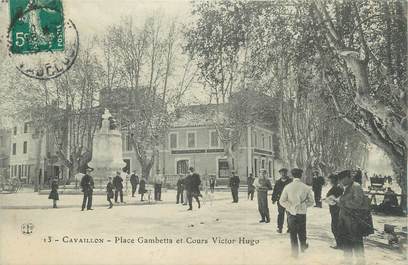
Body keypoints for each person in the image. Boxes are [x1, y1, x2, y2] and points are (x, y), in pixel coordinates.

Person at [279, 168, 314, 258]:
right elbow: (311, 201)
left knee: (293, 233)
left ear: (292, 176)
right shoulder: (306, 187)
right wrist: (303, 205)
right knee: (302, 230)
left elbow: (282, 201)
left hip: (291, 213)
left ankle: (294, 253)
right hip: (302, 212)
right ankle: (303, 245)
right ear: (301, 175)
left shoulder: (288, 187)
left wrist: (290, 207)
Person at [336, 170, 369, 265]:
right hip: (345, 219)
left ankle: (360, 262)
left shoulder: (356, 186)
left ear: (348, 177)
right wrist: (337, 200)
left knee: (356, 241)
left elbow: (358, 202)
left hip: (354, 219)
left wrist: (343, 203)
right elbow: (346, 199)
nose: (341, 181)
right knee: (346, 240)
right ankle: (348, 260)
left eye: (342, 179)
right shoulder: (347, 187)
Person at [325, 174, 344, 249]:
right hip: (336, 210)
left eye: (331, 180)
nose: (330, 181)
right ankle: (341, 244)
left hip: (336, 210)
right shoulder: (339, 187)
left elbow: (336, 199)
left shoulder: (336, 188)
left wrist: (329, 199)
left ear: (334, 180)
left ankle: (340, 244)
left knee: (335, 227)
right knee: (337, 227)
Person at [272, 168, 292, 233]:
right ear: (280, 174)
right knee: (280, 214)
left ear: (286, 173)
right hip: (280, 200)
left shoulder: (290, 181)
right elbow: (275, 191)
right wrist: (273, 199)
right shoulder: (278, 182)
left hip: (289, 200)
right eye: (282, 173)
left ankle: (290, 228)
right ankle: (280, 228)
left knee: (289, 214)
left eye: (284, 173)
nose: (283, 174)